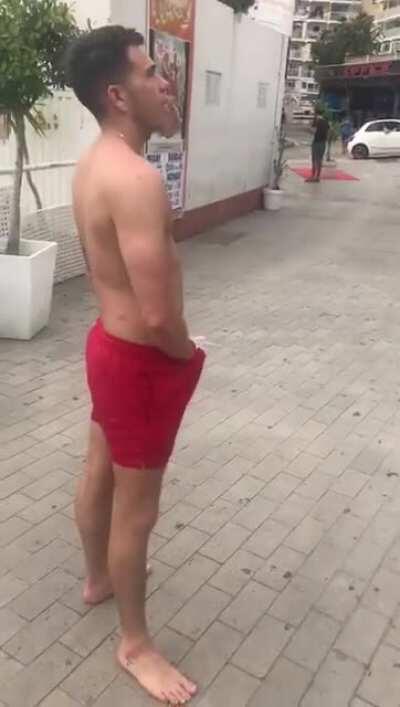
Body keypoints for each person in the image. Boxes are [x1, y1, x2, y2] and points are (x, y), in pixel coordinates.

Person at [65, 26, 205, 705]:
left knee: (100, 468)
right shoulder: (138, 180)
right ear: (118, 95)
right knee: (137, 512)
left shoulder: (93, 163)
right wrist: (187, 356)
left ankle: (98, 578)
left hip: (106, 346)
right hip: (141, 363)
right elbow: (156, 316)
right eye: (152, 73)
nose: (165, 82)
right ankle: (135, 643)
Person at [306, 107, 330, 183]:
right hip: (323, 143)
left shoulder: (316, 121)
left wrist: (308, 128)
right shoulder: (326, 121)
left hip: (316, 142)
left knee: (314, 159)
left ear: (316, 114)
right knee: (319, 160)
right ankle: (318, 176)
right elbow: (329, 132)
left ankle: (313, 176)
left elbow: (314, 131)